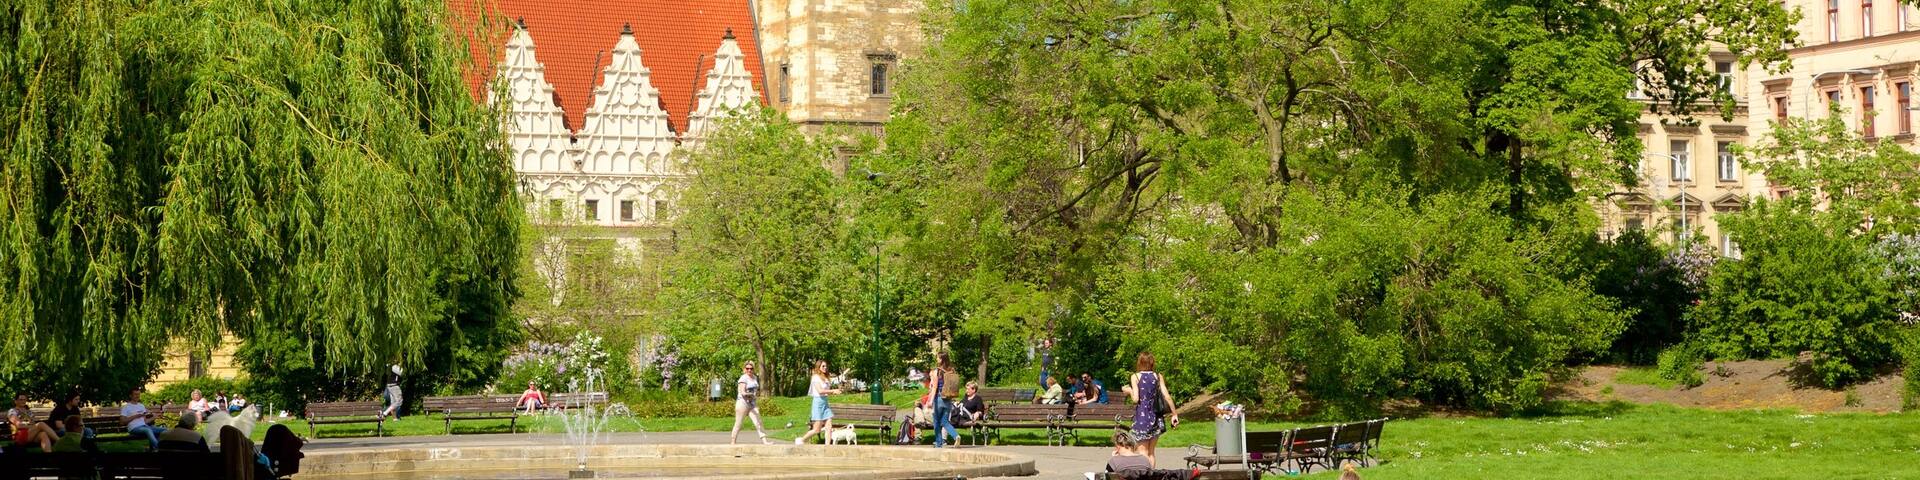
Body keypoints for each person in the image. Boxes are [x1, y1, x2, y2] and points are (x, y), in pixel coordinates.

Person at [1124, 351, 1177, 467]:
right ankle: (1151, 475)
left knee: (1142, 452)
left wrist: (1129, 391)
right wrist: (1174, 414)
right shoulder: (1158, 376)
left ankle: (1145, 476)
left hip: (1142, 418)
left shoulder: (1136, 376)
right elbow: (1167, 396)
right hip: (1156, 417)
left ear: (1140, 362)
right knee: (1151, 453)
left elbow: (1135, 399)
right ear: (1152, 362)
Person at [793, 360, 843, 445]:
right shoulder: (815, 377)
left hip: (825, 402)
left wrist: (835, 392)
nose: (825, 368)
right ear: (818, 367)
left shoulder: (826, 377)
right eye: (823, 366)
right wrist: (833, 391)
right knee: (817, 429)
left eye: (826, 366)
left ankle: (827, 447)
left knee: (829, 426)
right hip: (818, 403)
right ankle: (802, 440)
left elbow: (826, 392)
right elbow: (820, 391)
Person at [730, 361, 771, 445]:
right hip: (742, 403)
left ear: (753, 369)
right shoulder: (743, 378)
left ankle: (765, 441)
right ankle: (733, 441)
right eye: (747, 368)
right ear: (745, 369)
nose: (749, 370)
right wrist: (751, 394)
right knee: (738, 423)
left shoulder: (755, 378)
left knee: (758, 422)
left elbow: (756, 390)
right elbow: (742, 392)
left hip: (752, 404)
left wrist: (756, 395)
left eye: (751, 368)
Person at [928, 352, 962, 448]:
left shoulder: (936, 372)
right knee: (945, 421)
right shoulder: (951, 370)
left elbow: (934, 387)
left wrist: (930, 401)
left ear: (942, 359)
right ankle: (956, 435)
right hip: (948, 399)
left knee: (936, 421)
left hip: (938, 398)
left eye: (938, 358)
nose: (936, 359)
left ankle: (938, 443)